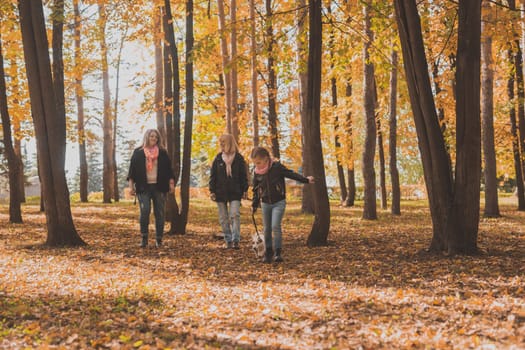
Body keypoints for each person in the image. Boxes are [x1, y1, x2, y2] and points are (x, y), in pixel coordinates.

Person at [251, 146, 314, 263]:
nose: (257, 165)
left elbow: (290, 174)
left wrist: (305, 180)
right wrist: (255, 203)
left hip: (278, 202)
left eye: (259, 162)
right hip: (265, 203)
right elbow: (255, 188)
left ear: (266, 159)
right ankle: (268, 252)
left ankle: (278, 253)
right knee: (267, 229)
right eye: (255, 163)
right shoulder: (256, 172)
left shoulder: (276, 167)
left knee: (275, 226)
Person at [127, 129, 175, 248]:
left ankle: (159, 239)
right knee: (145, 211)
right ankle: (144, 238)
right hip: (143, 187)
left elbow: (169, 171)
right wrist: (131, 187)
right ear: (147, 137)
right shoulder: (138, 152)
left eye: (156, 137)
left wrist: (171, 184)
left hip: (160, 187)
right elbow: (132, 171)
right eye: (151, 136)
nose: (154, 139)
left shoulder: (162, 153)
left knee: (159, 213)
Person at [209, 134, 249, 249]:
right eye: (220, 142)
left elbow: (243, 176)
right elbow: (213, 176)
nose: (221, 144)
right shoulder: (217, 158)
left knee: (234, 214)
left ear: (230, 143)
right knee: (223, 217)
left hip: (235, 191)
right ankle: (228, 240)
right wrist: (212, 191)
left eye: (223, 142)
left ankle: (236, 239)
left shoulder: (239, 158)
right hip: (220, 192)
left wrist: (245, 189)